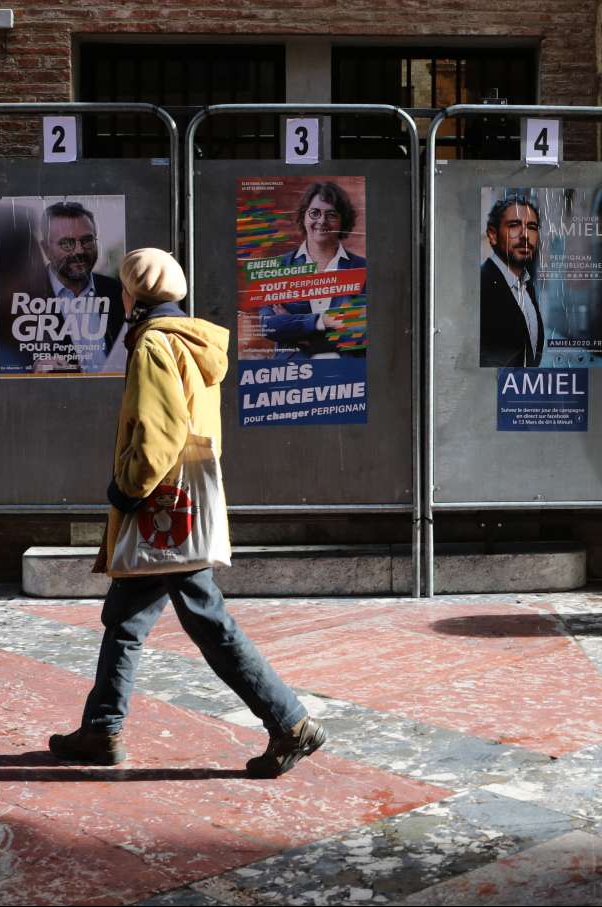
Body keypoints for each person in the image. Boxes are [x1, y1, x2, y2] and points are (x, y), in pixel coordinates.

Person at [49, 248, 327, 778]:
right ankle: (102, 729)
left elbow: (161, 433)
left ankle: (290, 723)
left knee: (206, 622)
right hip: (185, 501)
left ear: (135, 293)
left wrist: (127, 490)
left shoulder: (153, 343)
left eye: (125, 288)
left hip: (161, 509)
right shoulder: (190, 341)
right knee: (127, 618)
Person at [255, 181, 366, 358]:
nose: (321, 220)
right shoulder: (278, 268)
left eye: (331, 215)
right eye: (314, 213)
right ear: (304, 216)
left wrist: (297, 332)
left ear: (342, 220)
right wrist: (321, 321)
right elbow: (269, 325)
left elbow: (361, 330)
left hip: (348, 378)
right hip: (292, 376)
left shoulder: (362, 269)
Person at [31, 201, 128, 373]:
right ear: (45, 249)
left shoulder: (119, 293)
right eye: (67, 243)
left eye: (87, 241)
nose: (79, 251)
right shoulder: (25, 299)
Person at [480, 193, 545, 367]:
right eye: (514, 225)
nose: (525, 235)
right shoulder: (480, 285)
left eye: (532, 227)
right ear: (492, 235)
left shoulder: (526, 285)